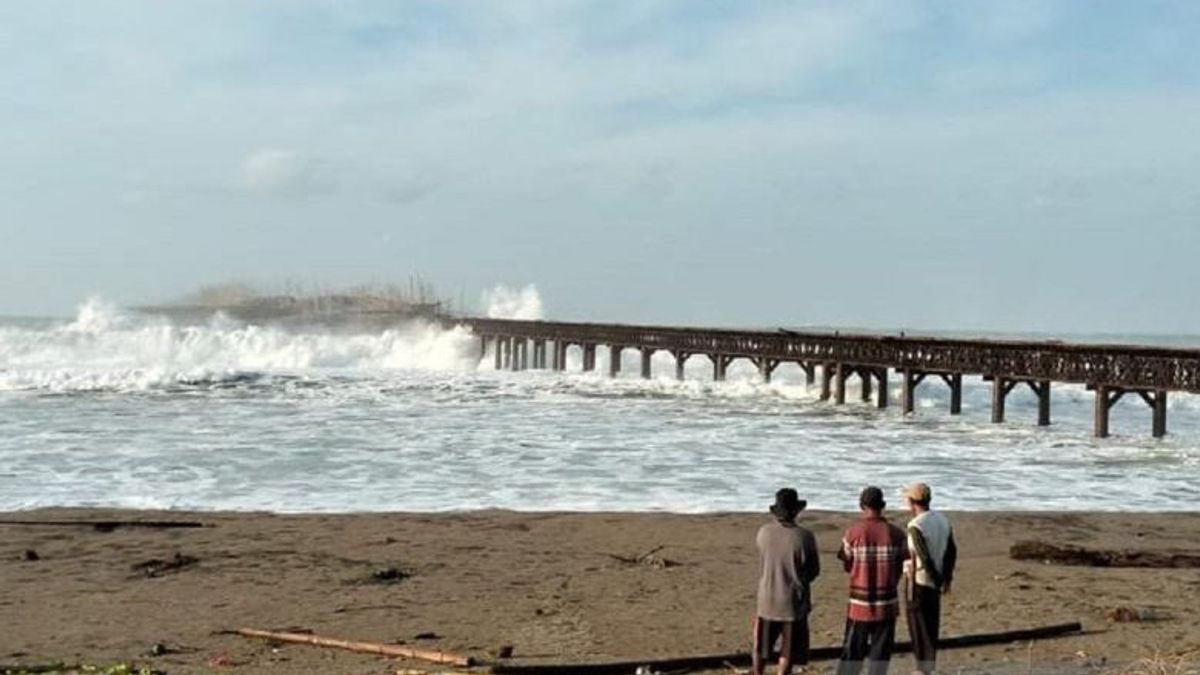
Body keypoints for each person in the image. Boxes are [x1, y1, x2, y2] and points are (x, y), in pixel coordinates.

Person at [835, 486, 907, 675]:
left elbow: (846, 563)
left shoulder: (853, 533)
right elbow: (902, 563)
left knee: (852, 653)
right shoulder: (896, 534)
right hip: (887, 601)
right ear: (882, 506)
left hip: (859, 602)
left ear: (862, 506)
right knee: (881, 656)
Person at [753, 488, 821, 675]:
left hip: (766, 596)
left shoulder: (764, 532)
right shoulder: (804, 536)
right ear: (796, 511)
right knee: (788, 648)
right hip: (792, 601)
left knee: (761, 646)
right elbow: (814, 571)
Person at [901, 482, 957, 675]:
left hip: (919, 580)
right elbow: (951, 551)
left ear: (912, 502)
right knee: (932, 624)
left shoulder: (916, 525)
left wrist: (935, 578)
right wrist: (946, 578)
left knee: (918, 625)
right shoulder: (943, 520)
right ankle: (929, 665)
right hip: (937, 579)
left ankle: (922, 668)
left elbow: (922, 555)